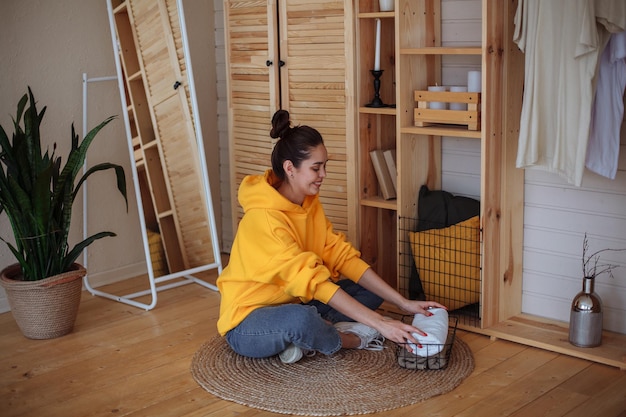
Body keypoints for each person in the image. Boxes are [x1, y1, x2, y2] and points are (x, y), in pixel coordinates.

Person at [216, 109, 446, 363]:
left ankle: (309, 337)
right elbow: (314, 283)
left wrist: (403, 303)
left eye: (325, 165)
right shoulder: (265, 221)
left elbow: (340, 254)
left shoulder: (308, 202)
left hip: (296, 300)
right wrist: (381, 325)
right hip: (249, 322)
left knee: (369, 289)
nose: (323, 175)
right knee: (301, 320)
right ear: (290, 168)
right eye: (316, 168)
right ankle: (352, 338)